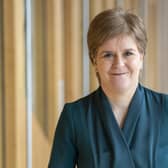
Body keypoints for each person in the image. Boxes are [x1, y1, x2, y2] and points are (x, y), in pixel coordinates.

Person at [48, 8, 168, 168]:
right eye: (108, 55)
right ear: (94, 61)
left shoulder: (165, 109)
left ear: (141, 57)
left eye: (128, 53)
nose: (119, 63)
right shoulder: (74, 117)